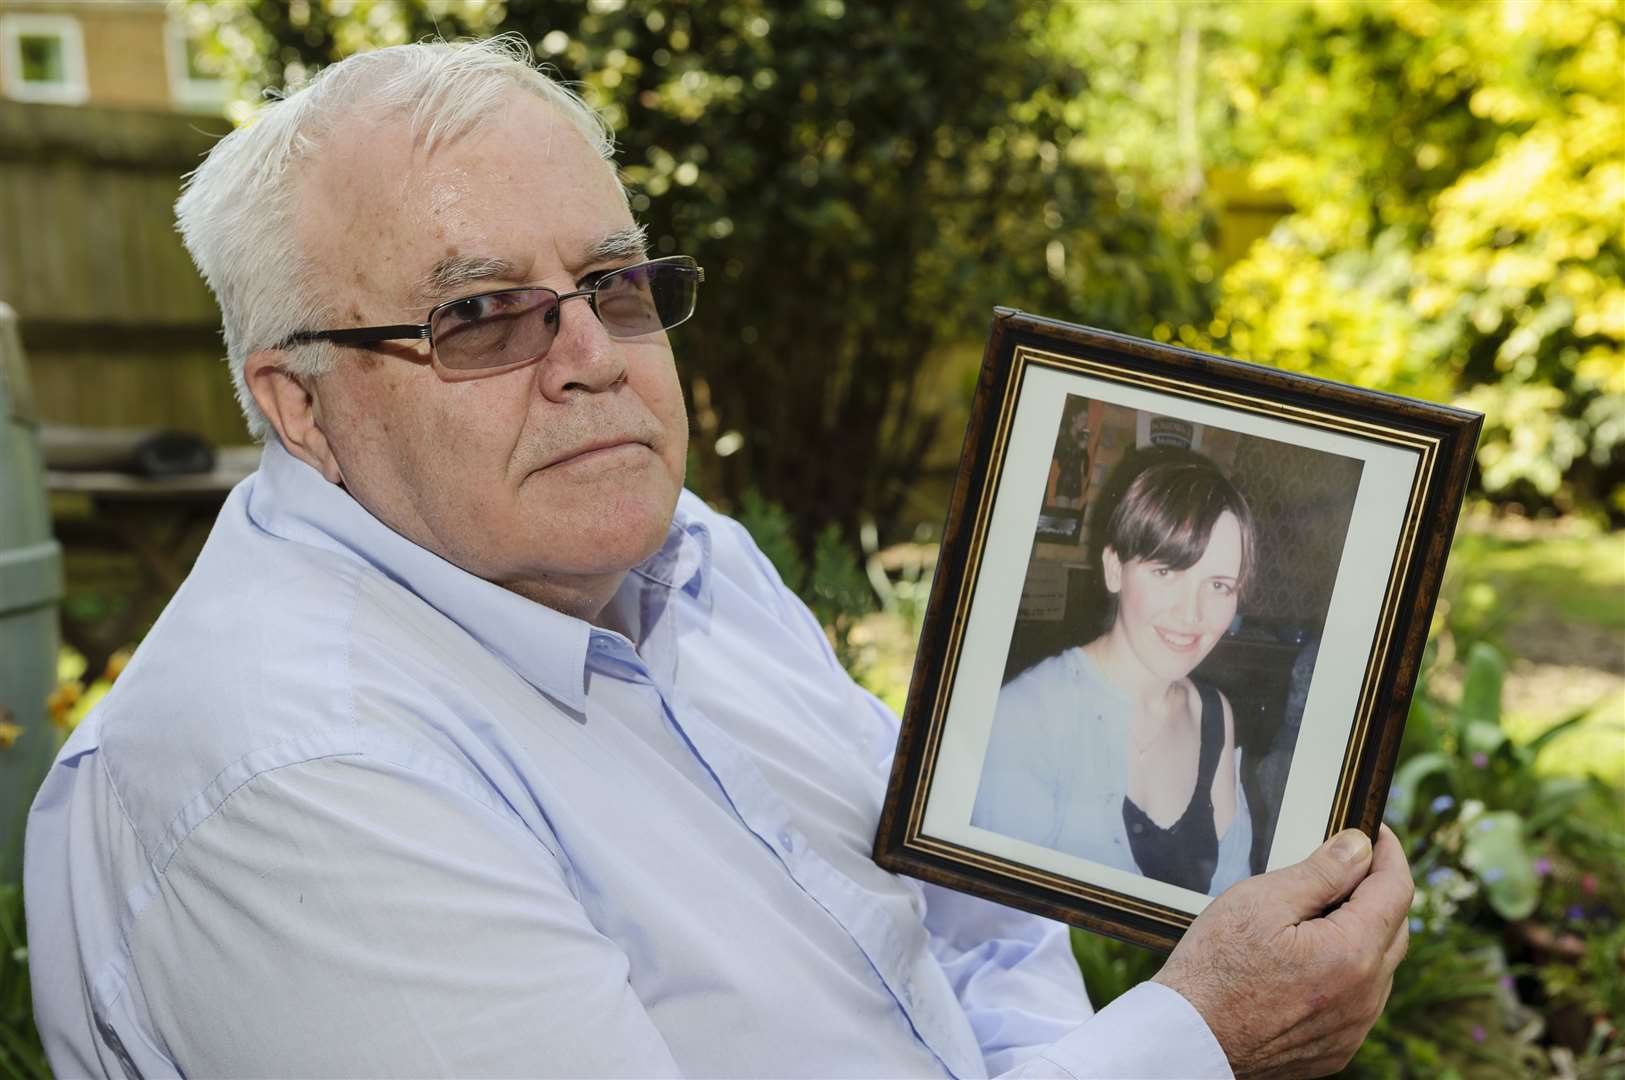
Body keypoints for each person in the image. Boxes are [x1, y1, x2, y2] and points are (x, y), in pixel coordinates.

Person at [24, 38, 1411, 1079]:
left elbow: (969, 935)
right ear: (299, 407)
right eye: (482, 316)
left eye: (614, 285)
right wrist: (1195, 1037)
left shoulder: (684, 556)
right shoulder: (299, 776)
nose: (589, 363)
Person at [974, 447, 1257, 896]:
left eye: (1219, 585)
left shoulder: (1214, 714)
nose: (1192, 613)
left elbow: (1232, 901)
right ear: (1114, 569)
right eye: (1167, 571)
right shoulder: (1025, 717)